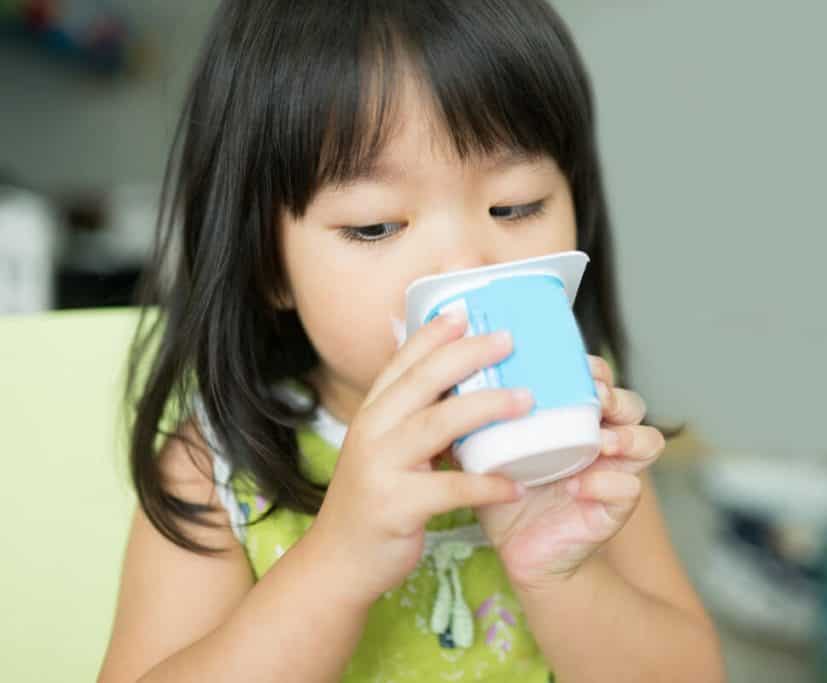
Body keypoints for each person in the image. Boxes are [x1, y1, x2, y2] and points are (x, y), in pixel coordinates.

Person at [99, 1, 723, 681]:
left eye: (515, 206)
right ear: (266, 262)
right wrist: (335, 563)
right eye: (374, 226)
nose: (465, 263)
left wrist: (559, 572)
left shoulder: (578, 449)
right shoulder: (218, 467)